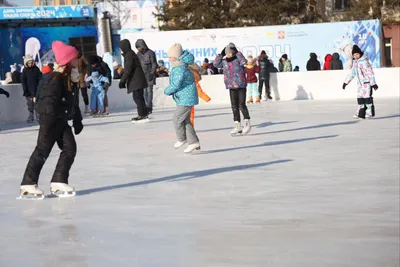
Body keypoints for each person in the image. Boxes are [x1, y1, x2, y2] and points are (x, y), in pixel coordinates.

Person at [18, 41, 83, 199]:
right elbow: (47, 101)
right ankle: (28, 183)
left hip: (60, 119)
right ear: (68, 61)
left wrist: (77, 119)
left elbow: (71, 101)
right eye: (75, 58)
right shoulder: (54, 78)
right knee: (42, 149)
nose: (77, 61)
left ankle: (58, 181)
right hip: (51, 118)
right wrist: (49, 120)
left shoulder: (67, 77)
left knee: (70, 148)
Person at [164, 44, 200, 153]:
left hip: (186, 98)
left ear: (176, 57)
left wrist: (167, 91)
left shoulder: (180, 68)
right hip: (185, 97)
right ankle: (194, 143)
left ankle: (182, 139)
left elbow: (176, 84)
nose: (169, 59)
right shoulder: (179, 66)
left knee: (177, 118)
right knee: (185, 121)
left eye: (170, 57)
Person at [214, 43, 251, 135]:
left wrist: (238, 53)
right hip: (231, 86)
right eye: (227, 53)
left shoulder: (238, 59)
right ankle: (237, 125)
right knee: (234, 106)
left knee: (241, 105)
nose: (229, 54)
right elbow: (215, 64)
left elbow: (244, 62)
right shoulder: (224, 61)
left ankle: (247, 123)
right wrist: (221, 55)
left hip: (241, 85)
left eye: (230, 52)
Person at [343, 45, 378, 119]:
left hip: (366, 83)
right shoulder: (355, 63)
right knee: (360, 99)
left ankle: (369, 113)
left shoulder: (364, 62)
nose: (355, 56)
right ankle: (360, 113)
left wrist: (373, 83)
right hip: (359, 84)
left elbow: (370, 73)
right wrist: (346, 82)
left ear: (360, 54)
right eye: (354, 55)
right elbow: (352, 73)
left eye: (357, 54)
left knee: (367, 98)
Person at [118, 39, 149, 123]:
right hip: (137, 79)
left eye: (121, 47)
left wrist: (122, 81)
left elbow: (128, 69)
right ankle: (144, 113)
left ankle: (142, 115)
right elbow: (129, 68)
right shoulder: (130, 54)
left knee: (137, 98)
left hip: (136, 80)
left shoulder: (129, 55)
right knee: (139, 97)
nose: (121, 49)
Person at [135, 39, 157, 114]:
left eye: (139, 47)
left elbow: (154, 64)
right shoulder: (138, 54)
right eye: (137, 48)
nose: (138, 49)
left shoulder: (150, 53)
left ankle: (149, 107)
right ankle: (145, 106)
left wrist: (152, 73)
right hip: (142, 76)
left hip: (149, 75)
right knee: (144, 92)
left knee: (149, 91)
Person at [21, 55, 42, 123]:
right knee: (30, 104)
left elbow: (40, 78)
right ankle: (31, 116)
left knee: (37, 104)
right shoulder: (25, 71)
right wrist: (26, 91)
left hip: (36, 90)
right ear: (26, 64)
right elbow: (23, 81)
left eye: (31, 63)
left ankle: (38, 117)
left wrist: (39, 88)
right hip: (28, 91)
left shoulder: (36, 69)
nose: (30, 64)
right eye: (28, 63)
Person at [74, 48, 90, 114]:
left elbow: (88, 65)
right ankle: (76, 109)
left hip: (82, 78)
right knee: (75, 95)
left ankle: (87, 107)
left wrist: (87, 73)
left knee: (84, 94)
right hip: (75, 78)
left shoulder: (82, 57)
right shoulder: (72, 59)